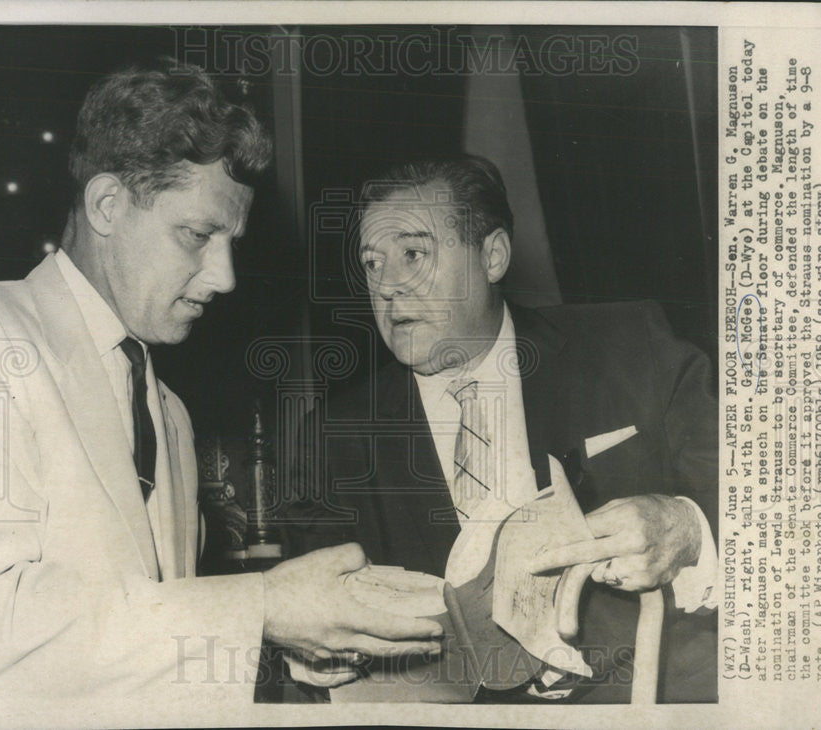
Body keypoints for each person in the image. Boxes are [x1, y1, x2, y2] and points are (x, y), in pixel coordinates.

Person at [0, 59, 442, 706]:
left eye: (231, 242)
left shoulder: (170, 414)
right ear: (108, 204)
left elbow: (149, 647)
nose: (224, 277)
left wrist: (303, 646)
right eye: (197, 234)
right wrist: (266, 606)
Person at [286, 154, 718, 703]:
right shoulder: (331, 436)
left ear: (491, 256)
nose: (388, 286)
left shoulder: (635, 348)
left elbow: (773, 506)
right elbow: (304, 631)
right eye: (373, 263)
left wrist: (685, 526)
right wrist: (316, 653)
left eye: (414, 255)